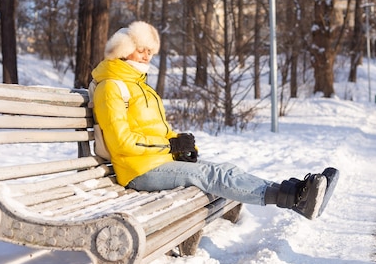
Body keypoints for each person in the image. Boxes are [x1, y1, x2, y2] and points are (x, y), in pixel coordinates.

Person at [91, 21, 338, 220]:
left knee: (226, 170)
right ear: (122, 50)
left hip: (157, 162)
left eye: (149, 51)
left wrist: (181, 144)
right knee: (212, 175)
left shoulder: (139, 86)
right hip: (138, 171)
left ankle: (296, 194)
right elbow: (121, 142)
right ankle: (295, 198)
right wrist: (170, 147)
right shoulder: (111, 87)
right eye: (140, 49)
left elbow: (157, 130)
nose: (146, 56)